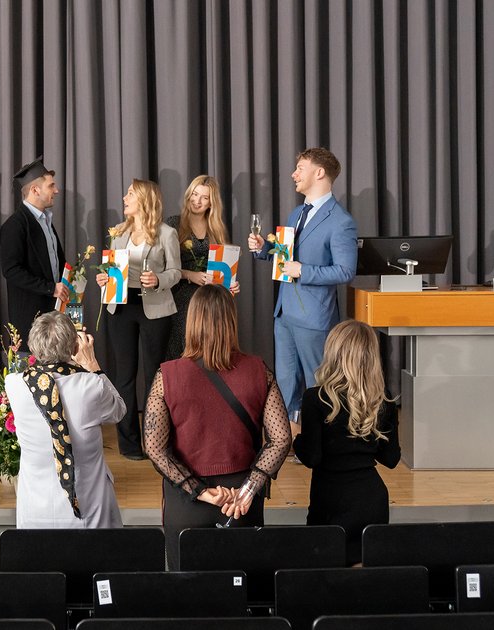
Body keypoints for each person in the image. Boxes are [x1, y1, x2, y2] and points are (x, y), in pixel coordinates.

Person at [143, 284, 290, 569]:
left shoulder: (168, 375)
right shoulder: (259, 370)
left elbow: (154, 447)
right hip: (239, 503)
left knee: (185, 589)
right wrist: (249, 488)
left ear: (192, 322)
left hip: (188, 503)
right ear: (231, 322)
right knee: (244, 590)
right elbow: (281, 439)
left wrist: (198, 490)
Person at [247, 147, 357, 439]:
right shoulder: (297, 213)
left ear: (319, 173)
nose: (294, 174)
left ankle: (323, 441)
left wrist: (303, 270)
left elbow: (345, 271)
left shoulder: (341, 221)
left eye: (300, 168)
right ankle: (292, 440)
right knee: (285, 383)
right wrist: (263, 250)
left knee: (316, 383)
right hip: (284, 314)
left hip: (314, 318)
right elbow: (285, 258)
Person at [5, 310, 126, 528]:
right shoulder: (92, 385)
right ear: (74, 347)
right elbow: (118, 410)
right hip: (90, 512)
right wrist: (93, 366)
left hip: (34, 512)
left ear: (32, 347)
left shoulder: (14, 384)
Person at [293, 320, 400, 565]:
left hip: (331, 499)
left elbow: (312, 457)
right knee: (363, 583)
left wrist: (295, 437)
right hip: (371, 499)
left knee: (327, 578)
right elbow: (391, 459)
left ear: (333, 353)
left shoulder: (315, 398)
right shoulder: (383, 403)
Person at [95, 179, 181, 460]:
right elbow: (113, 272)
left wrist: (158, 279)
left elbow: (176, 272)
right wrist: (104, 279)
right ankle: (129, 444)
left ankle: (155, 441)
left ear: (145, 199)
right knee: (125, 377)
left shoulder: (167, 234)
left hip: (155, 309)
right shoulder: (118, 233)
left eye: (130, 194)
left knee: (155, 376)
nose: (124, 197)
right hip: (120, 309)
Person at [165, 175, 239, 360]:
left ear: (211, 203)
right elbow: (162, 267)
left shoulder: (217, 228)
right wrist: (190, 275)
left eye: (204, 197)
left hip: (210, 299)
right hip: (180, 296)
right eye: (195, 194)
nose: (197, 201)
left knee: (210, 347)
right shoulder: (173, 224)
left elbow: (223, 266)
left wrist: (230, 283)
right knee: (183, 348)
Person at [0, 157, 68, 351]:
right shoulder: (15, 225)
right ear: (35, 190)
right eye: (51, 186)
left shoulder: (46, 222)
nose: (56, 190)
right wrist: (50, 288)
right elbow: (11, 271)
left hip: (53, 315)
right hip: (30, 318)